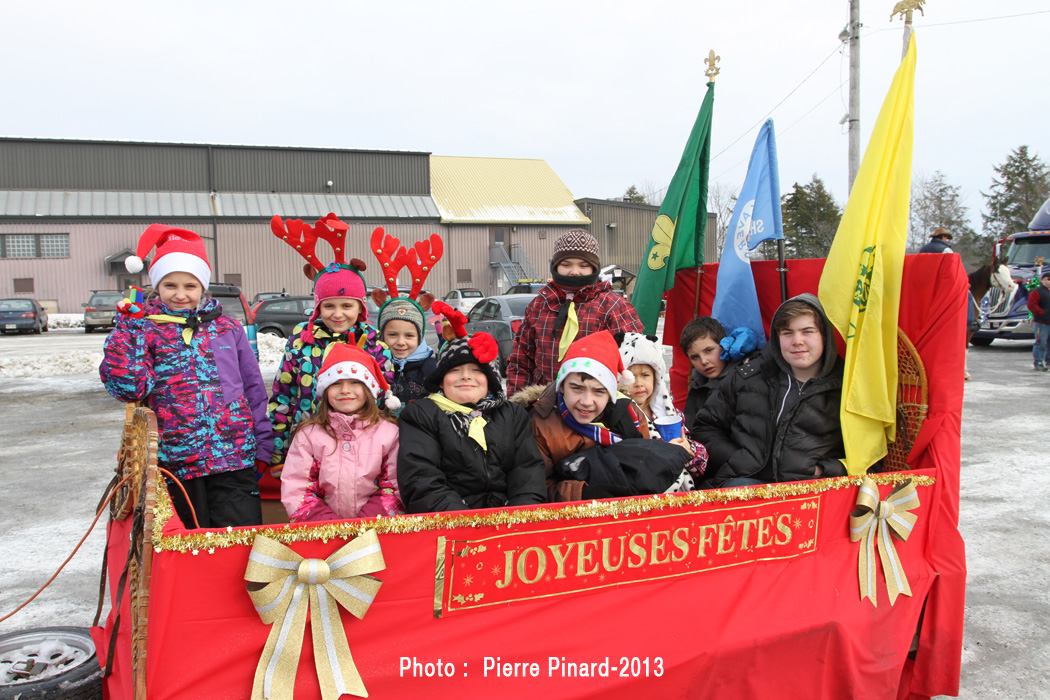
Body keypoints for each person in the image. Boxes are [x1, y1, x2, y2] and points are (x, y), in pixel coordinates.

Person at [100, 224, 272, 528]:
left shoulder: (228, 329)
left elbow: (253, 388)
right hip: (176, 463)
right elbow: (130, 386)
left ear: (203, 287)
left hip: (233, 458)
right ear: (157, 287)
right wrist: (128, 329)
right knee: (187, 548)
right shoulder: (146, 329)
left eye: (189, 286)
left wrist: (263, 443)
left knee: (240, 543)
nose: (180, 294)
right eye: (170, 286)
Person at [267, 214, 393, 474]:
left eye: (347, 306)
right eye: (329, 306)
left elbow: (383, 397)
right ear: (317, 307)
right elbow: (283, 397)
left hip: (364, 450)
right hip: (310, 447)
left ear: (360, 307)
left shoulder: (372, 342)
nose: (338, 314)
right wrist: (278, 451)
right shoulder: (302, 341)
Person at [397, 302, 546, 513]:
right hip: (452, 524)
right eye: (455, 370)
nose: (466, 376)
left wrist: (519, 517)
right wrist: (465, 522)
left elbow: (527, 471)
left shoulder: (512, 415)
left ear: (490, 380)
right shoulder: (421, 415)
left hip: (509, 521)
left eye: (476, 370)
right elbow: (421, 479)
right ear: (441, 380)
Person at [513, 330, 691, 502]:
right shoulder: (539, 424)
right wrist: (587, 493)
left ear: (611, 394)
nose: (587, 401)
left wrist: (668, 453)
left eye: (599, 391)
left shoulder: (630, 415)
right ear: (562, 386)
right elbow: (534, 490)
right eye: (577, 388)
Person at [694, 294, 846, 487]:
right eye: (787, 333)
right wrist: (737, 458)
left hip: (814, 492)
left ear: (824, 335)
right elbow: (704, 427)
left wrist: (824, 470)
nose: (797, 341)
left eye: (807, 331)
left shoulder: (846, 388)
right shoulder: (748, 376)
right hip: (746, 487)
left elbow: (868, 457)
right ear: (777, 337)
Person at [506, 229, 643, 395]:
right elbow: (521, 360)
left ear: (594, 268)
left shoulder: (614, 306)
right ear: (555, 266)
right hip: (544, 405)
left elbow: (634, 362)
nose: (574, 272)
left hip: (595, 405)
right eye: (566, 265)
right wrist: (518, 406)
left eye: (583, 265)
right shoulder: (539, 305)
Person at [280, 343, 402, 522]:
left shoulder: (389, 434)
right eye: (336, 383)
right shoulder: (309, 436)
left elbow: (393, 488)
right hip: (322, 536)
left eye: (355, 382)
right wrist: (332, 528)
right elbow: (298, 489)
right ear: (325, 390)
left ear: (369, 389)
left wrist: (362, 527)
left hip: (376, 534)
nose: (345, 390)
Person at [617, 332, 708, 480]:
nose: (639, 383)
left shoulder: (669, 413)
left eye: (645, 375)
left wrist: (688, 448)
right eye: (632, 377)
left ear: (656, 379)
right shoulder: (619, 417)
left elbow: (699, 459)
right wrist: (670, 451)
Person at [378, 297, 438, 409]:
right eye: (393, 335)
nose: (401, 342)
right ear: (382, 337)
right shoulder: (377, 367)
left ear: (419, 338)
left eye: (409, 336)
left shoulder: (432, 367)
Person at [679, 317, 734, 432]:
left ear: (724, 345)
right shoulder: (697, 387)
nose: (704, 361)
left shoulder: (741, 382)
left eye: (708, 351)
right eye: (695, 357)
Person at [1027, 271, 1050, 371]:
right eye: (1048, 279)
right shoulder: (1037, 292)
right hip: (1042, 323)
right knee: (1040, 343)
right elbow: (1031, 305)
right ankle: (1038, 362)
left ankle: (1048, 360)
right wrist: (1042, 313)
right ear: (1043, 280)